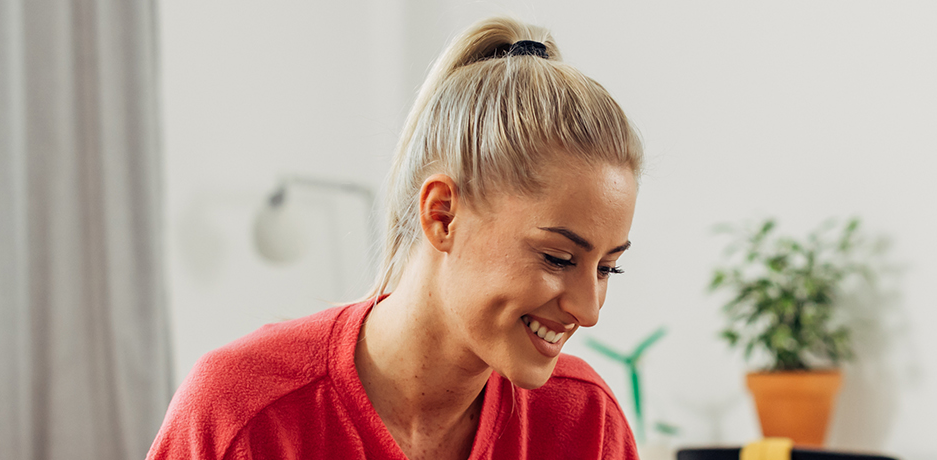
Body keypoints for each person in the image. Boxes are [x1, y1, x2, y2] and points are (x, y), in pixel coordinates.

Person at [148, 16, 644, 460]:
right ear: (443, 215)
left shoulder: (587, 424)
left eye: (607, 268)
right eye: (558, 258)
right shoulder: (243, 415)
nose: (589, 310)